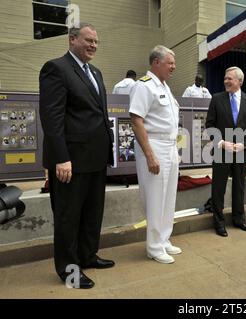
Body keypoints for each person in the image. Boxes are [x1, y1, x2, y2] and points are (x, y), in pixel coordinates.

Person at [39, 22, 115, 289]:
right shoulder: (56, 69)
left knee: (92, 213)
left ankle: (87, 255)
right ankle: (69, 271)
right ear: (72, 39)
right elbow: (52, 118)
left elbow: (97, 114)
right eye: (88, 40)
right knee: (68, 218)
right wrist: (61, 157)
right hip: (70, 160)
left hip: (95, 158)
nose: (93, 45)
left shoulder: (95, 71)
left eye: (96, 41)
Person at [129, 45, 181, 264]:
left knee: (169, 197)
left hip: (169, 146)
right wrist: (150, 154)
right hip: (154, 145)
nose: (174, 67)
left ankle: (164, 238)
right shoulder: (144, 86)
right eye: (170, 63)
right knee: (155, 197)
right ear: (156, 62)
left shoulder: (165, 87)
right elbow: (136, 119)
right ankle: (153, 246)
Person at [205, 66, 246, 237]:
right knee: (218, 188)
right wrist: (221, 143)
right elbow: (210, 125)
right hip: (222, 151)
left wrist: (244, 145)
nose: (226, 81)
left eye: (230, 78)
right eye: (225, 78)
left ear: (240, 81)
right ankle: (219, 222)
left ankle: (239, 219)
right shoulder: (216, 99)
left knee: (239, 186)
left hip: (241, 151)